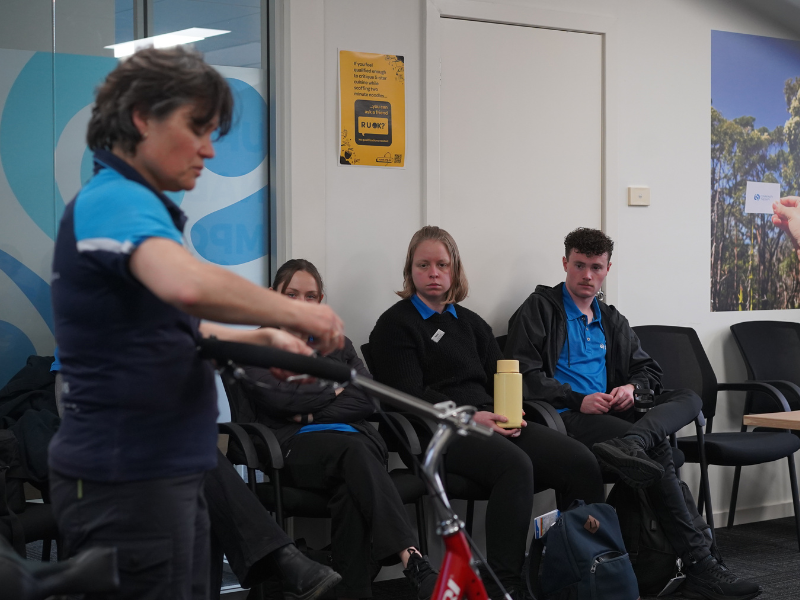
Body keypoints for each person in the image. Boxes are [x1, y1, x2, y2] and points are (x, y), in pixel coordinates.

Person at [49, 48, 345, 600]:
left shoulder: (143, 209)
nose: (209, 150)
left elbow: (174, 328)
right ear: (142, 116)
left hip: (174, 472)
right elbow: (185, 284)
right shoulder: (115, 201)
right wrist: (293, 310)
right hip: (128, 480)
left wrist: (259, 339)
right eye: (197, 128)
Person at [504, 227, 762, 600]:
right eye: (579, 266)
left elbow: (649, 371)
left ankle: (636, 440)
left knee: (688, 397)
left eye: (596, 267)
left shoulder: (610, 318)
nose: (587, 276)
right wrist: (579, 399)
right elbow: (521, 374)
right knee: (661, 453)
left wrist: (631, 390)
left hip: (613, 418)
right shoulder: (540, 309)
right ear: (565, 263)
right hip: (565, 418)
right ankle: (701, 564)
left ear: (608, 268)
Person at [368, 226, 605, 600]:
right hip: (439, 431)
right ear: (410, 271)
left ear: (454, 270)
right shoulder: (395, 325)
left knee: (580, 460)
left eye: (442, 264)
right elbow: (407, 396)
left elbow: (500, 379)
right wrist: (467, 416)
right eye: (423, 264)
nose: (433, 273)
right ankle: (504, 583)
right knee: (516, 465)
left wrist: (515, 412)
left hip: (489, 421)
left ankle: (588, 568)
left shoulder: (471, 323)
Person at [238, 259, 438, 600]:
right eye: (292, 294)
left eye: (311, 296)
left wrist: (311, 408)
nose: (303, 303)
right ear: (273, 295)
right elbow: (282, 400)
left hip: (354, 440)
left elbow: (369, 398)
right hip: (290, 447)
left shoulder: (336, 343)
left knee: (353, 467)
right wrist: (334, 389)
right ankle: (410, 558)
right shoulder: (256, 345)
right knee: (352, 474)